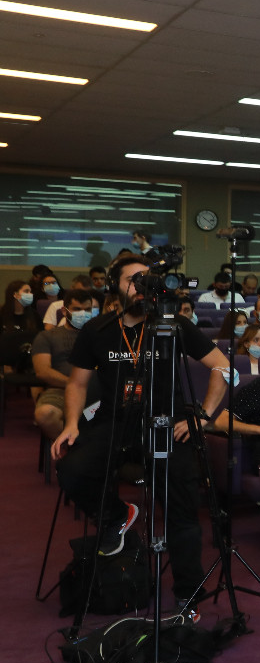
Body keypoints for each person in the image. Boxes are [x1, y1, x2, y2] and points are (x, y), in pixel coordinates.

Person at [51, 255, 230, 615]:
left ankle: (187, 593)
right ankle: (117, 516)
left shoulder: (174, 325)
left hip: (167, 423)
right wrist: (71, 423)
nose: (141, 286)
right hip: (115, 421)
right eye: (132, 280)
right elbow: (77, 383)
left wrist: (202, 417)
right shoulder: (98, 329)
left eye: (147, 279)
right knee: (72, 469)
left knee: (181, 507)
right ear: (114, 287)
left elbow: (222, 367)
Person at [32, 290, 99, 440]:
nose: (83, 313)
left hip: (98, 393)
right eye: (77, 309)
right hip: (60, 390)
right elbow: (43, 371)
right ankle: (73, 447)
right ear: (64, 311)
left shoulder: (100, 335)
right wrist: (76, 385)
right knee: (45, 414)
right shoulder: (47, 336)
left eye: (87, 310)